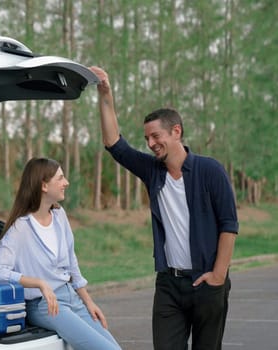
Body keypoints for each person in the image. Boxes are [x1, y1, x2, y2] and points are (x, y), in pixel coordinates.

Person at [89, 66, 239, 350]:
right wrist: (105, 95)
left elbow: (229, 225)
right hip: (169, 284)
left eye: (156, 136)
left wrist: (218, 276)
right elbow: (114, 144)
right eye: (147, 138)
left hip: (207, 281)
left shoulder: (210, 170)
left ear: (176, 131)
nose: (151, 143)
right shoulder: (153, 171)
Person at [0, 157, 121, 350]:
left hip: (71, 298)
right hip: (44, 305)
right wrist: (38, 283)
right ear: (44, 185)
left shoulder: (59, 215)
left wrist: (88, 302)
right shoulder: (20, 228)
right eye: (60, 178)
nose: (66, 183)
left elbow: (71, 261)